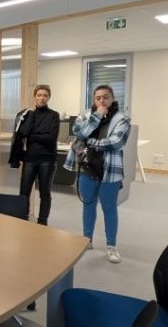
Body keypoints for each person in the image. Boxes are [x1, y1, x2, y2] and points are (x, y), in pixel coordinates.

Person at [64, 85, 131, 263]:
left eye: (106, 97)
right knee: (88, 205)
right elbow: (79, 132)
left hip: (110, 170)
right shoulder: (86, 115)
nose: (102, 101)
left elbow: (116, 142)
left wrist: (90, 141)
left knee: (109, 208)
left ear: (113, 98)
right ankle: (87, 240)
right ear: (94, 100)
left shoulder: (122, 118)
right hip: (87, 168)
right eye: (98, 98)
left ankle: (111, 246)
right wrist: (97, 116)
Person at [15, 85, 60, 226]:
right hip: (30, 159)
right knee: (24, 192)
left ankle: (42, 222)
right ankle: (23, 218)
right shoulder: (29, 114)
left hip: (47, 159)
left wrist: (33, 136)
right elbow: (23, 132)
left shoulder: (54, 115)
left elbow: (51, 137)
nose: (42, 98)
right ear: (35, 97)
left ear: (49, 97)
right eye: (39, 95)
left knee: (45, 193)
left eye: (45, 95)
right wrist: (33, 120)